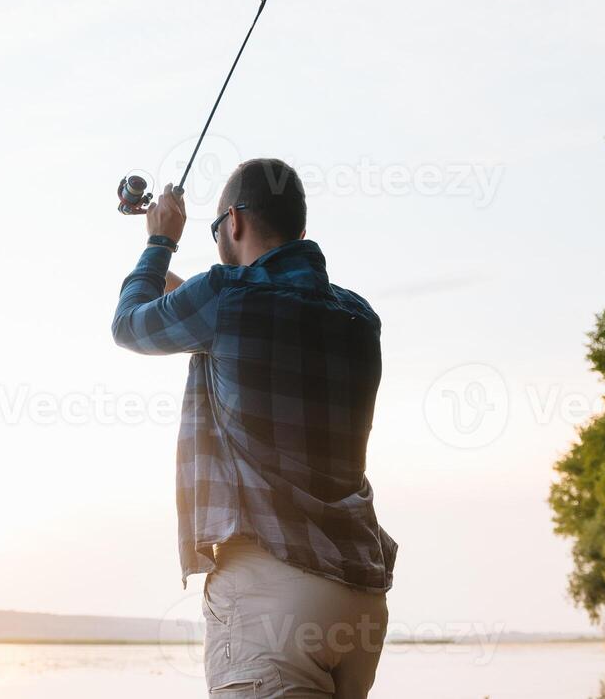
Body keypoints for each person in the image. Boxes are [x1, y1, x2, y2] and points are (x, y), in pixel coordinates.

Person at [112, 158, 396, 698]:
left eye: (216, 228)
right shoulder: (359, 317)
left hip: (269, 595)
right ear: (300, 230)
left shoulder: (224, 299)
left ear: (234, 223)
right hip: (359, 600)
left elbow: (130, 324)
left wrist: (159, 242)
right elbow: (222, 306)